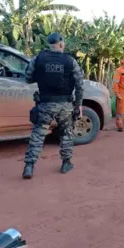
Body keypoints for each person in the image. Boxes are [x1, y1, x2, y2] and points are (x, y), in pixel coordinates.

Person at [22, 32, 84, 179]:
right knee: (66, 133)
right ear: (61, 44)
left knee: (38, 134)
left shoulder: (38, 59)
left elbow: (28, 78)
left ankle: (29, 166)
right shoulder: (70, 61)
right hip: (65, 105)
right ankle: (66, 163)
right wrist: (79, 105)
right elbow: (79, 85)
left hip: (45, 104)